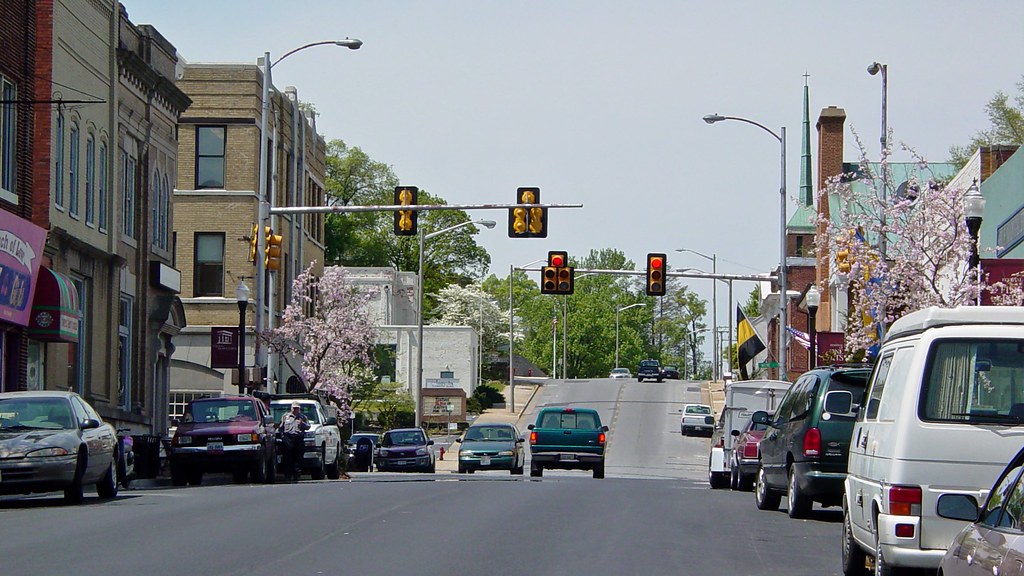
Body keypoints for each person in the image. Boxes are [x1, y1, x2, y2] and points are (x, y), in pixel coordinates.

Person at [278, 401, 309, 481]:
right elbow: (280, 427)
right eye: (294, 408)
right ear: (291, 408)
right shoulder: (285, 416)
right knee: (287, 458)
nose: (295, 410)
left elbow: (308, 426)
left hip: (298, 439)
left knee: (298, 458)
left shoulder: (303, 417)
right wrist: (282, 437)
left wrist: (302, 424)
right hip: (288, 439)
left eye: (297, 408)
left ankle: (296, 475)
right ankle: (287, 475)